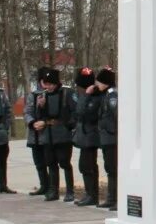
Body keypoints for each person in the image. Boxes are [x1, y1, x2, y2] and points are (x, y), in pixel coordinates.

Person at [32, 68, 77, 202]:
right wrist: (40, 106)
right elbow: (39, 116)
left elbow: (75, 111)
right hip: (48, 134)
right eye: (46, 84)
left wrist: (69, 125)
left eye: (51, 84)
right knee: (51, 163)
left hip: (63, 134)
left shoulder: (67, 93)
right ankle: (53, 190)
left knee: (64, 163)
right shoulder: (43, 95)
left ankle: (70, 191)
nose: (49, 87)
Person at [72, 67, 101, 207]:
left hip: (91, 136)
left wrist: (87, 96)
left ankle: (92, 195)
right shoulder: (86, 95)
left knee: (87, 166)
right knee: (85, 166)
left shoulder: (94, 97)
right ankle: (89, 193)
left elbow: (82, 112)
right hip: (85, 135)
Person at [24, 67, 50, 196]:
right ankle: (43, 185)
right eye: (43, 81)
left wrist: (44, 122)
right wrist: (32, 122)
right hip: (34, 135)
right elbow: (27, 112)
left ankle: (52, 186)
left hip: (48, 134)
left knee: (50, 162)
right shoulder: (32, 95)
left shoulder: (53, 94)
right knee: (39, 163)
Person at [96, 66, 118, 210]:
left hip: (111, 138)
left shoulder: (112, 96)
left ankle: (116, 199)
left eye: (99, 81)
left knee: (114, 169)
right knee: (109, 168)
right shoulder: (105, 95)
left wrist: (111, 131)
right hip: (106, 138)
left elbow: (116, 115)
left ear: (106, 82)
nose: (97, 84)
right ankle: (111, 198)